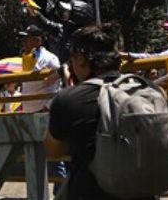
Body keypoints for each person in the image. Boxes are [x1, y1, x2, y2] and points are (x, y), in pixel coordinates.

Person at [46, 22, 149, 200]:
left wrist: (69, 88)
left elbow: (54, 150)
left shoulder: (69, 99)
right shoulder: (146, 89)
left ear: (80, 60)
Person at [17, 24, 62, 113]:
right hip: (27, 110)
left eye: (27, 39)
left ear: (38, 41)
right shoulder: (26, 58)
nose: (24, 42)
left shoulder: (50, 58)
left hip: (43, 111)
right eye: (23, 39)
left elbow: (59, 85)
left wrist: (47, 107)